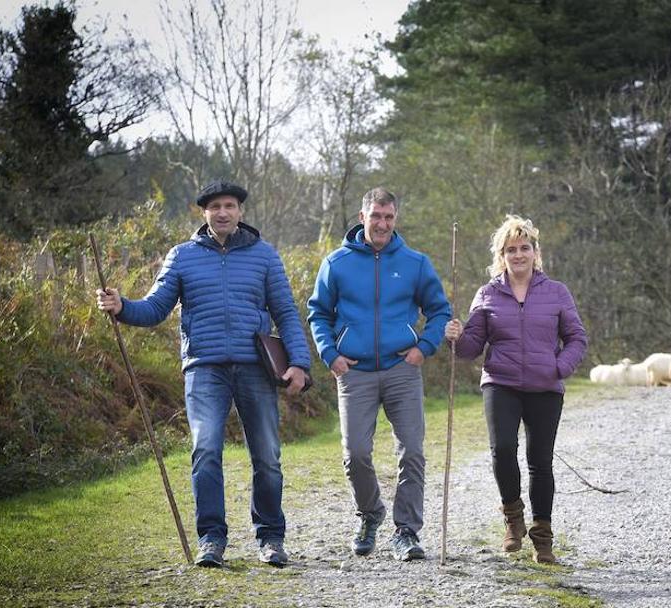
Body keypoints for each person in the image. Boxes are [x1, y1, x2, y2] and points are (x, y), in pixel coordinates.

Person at [96, 180, 311, 568]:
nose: (223, 212)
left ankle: (271, 539)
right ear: (204, 213)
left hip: (254, 368)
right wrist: (121, 306)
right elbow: (155, 308)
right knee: (206, 449)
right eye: (215, 207)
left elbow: (286, 312)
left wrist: (299, 363)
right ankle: (211, 539)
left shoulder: (264, 256)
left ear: (240, 212)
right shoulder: (182, 256)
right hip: (204, 368)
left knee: (267, 456)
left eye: (230, 205)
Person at [307, 187, 451, 561]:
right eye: (376, 216)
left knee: (412, 452)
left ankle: (406, 532)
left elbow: (439, 311)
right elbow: (318, 313)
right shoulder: (336, 264)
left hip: (402, 369)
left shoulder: (416, 263)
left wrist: (424, 348)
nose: (382, 224)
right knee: (355, 453)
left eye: (388, 217)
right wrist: (330, 354)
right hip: (353, 373)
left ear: (395, 219)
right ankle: (370, 514)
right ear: (362, 217)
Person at [444, 214, 587, 564]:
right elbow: (470, 348)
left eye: (525, 248)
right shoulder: (487, 293)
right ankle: (513, 519)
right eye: (511, 249)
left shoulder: (556, 292)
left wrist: (559, 367)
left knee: (540, 462)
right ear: (502, 255)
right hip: (501, 383)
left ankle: (543, 537)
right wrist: (456, 337)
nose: (518, 254)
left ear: (535, 253)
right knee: (503, 449)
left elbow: (576, 338)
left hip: (545, 387)